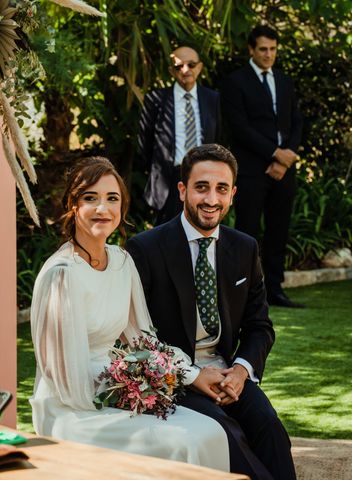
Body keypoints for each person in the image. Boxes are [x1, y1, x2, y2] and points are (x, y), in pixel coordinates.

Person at [30, 157, 230, 471]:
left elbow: (144, 340)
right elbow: (63, 379)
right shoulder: (62, 274)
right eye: (90, 198)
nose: (102, 208)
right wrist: (129, 392)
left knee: (212, 431)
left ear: (122, 208)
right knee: (185, 441)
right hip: (74, 407)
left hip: (116, 390)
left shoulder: (122, 261)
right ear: (72, 206)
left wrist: (188, 375)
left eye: (112, 199)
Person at [126, 144, 296, 479]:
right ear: (182, 190)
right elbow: (139, 337)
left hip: (229, 374)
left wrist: (241, 372)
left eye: (221, 189)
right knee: (227, 437)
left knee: (271, 429)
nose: (211, 199)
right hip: (176, 378)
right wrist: (192, 375)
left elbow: (260, 326)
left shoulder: (244, 247)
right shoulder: (145, 249)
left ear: (233, 194)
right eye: (201, 187)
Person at [221, 25, 304, 308]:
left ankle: (275, 289)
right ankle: (243, 292)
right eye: (263, 49)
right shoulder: (236, 81)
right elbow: (240, 127)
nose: (269, 55)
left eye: (273, 49)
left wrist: (287, 156)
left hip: (284, 170)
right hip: (252, 169)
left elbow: (296, 121)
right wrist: (275, 154)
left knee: (279, 229)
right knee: (247, 231)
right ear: (251, 50)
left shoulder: (284, 80)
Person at [138, 46, 221, 224]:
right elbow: (145, 142)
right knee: (164, 238)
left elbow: (219, 138)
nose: (185, 70)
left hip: (203, 177)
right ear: (171, 71)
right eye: (179, 66)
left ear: (199, 67)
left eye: (191, 65)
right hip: (168, 179)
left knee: (199, 232)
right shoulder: (155, 99)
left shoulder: (213, 99)